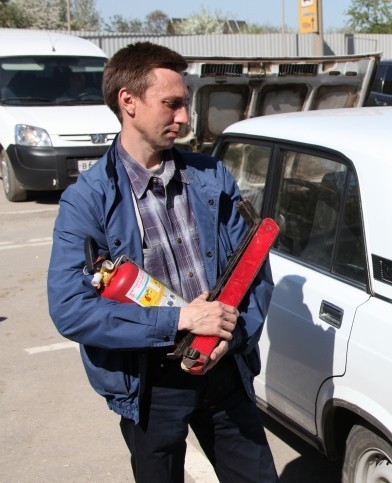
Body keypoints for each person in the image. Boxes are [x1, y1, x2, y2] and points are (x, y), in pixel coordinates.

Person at [47, 42, 278, 482]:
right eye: (171, 104)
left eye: (185, 104)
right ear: (128, 101)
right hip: (149, 383)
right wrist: (179, 320)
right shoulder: (87, 200)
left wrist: (233, 335)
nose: (185, 118)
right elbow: (71, 308)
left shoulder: (211, 177)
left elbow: (255, 271)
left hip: (223, 365)